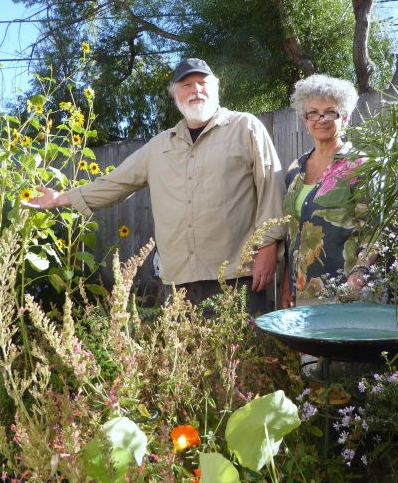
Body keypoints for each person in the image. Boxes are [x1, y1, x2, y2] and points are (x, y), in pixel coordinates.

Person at [24, 58, 286, 314]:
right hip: (178, 279)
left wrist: (268, 245)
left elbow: (270, 186)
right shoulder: (159, 145)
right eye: (186, 85)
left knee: (245, 355)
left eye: (202, 83)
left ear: (216, 89)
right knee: (185, 356)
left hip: (236, 273)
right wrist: (61, 198)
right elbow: (116, 182)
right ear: (175, 95)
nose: (196, 90)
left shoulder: (245, 127)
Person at [280, 74, 371, 309]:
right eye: (313, 112)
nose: (321, 119)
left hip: (345, 291)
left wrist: (358, 277)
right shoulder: (295, 170)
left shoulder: (360, 166)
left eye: (330, 112)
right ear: (304, 118)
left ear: (345, 117)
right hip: (303, 292)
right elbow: (292, 230)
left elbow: (375, 230)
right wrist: (288, 284)